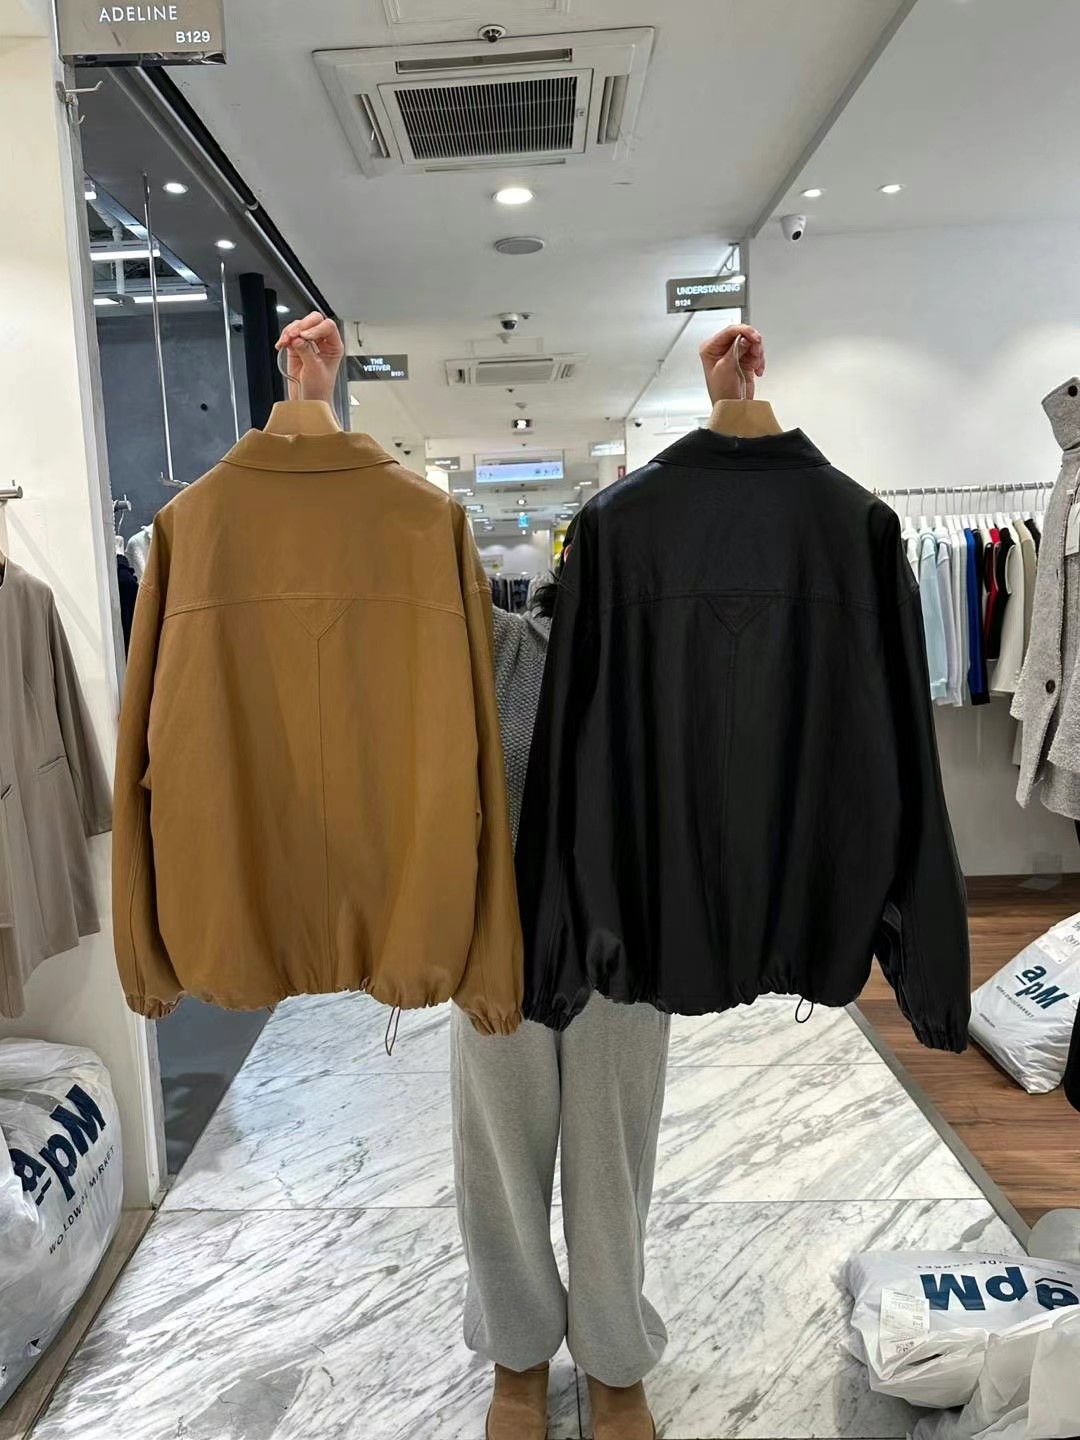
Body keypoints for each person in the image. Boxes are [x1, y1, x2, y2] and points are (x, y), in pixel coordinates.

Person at [276, 317, 767, 1440]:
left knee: (612, 1153)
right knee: (499, 1158)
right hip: (491, 938)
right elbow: (347, 554)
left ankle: (614, 1357)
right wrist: (314, 405)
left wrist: (729, 414)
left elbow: (733, 541)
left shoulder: (651, 649)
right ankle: (516, 1352)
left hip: (626, 938)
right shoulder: (470, 645)